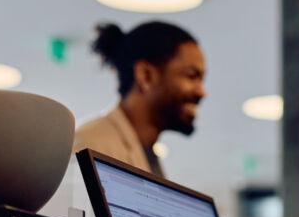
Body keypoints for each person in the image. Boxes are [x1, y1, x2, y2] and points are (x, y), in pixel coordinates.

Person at [73, 20, 207, 177]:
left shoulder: (149, 156)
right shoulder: (88, 145)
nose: (201, 92)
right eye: (191, 76)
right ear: (146, 75)